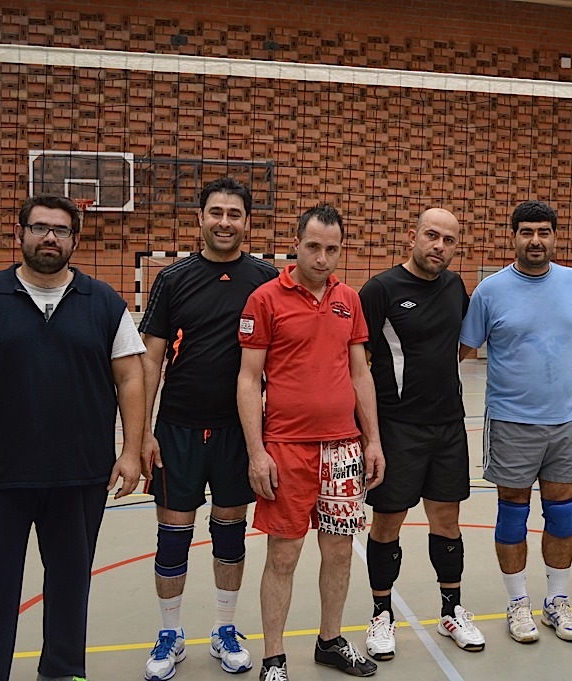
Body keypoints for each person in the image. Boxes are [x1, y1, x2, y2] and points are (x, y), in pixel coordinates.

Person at [0, 194, 144, 681]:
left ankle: (62, 672)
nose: (50, 237)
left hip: (79, 476)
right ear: (20, 234)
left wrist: (130, 452)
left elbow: (131, 377)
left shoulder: (104, 303)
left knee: (70, 587)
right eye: (40, 227)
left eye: (61, 230)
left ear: (74, 240)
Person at [237, 203, 386, 681]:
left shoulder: (349, 300)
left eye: (332, 249)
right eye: (314, 247)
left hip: (342, 449)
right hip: (286, 448)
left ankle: (330, 641)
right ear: (296, 244)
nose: (322, 259)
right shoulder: (265, 299)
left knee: (339, 552)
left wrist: (373, 441)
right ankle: (274, 659)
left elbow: (360, 374)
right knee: (283, 555)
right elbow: (248, 378)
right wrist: (257, 451)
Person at [138, 177, 279, 680]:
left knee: (229, 534)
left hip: (237, 432)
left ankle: (224, 628)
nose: (224, 222)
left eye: (234, 214)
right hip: (177, 428)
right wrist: (141, 433)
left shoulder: (266, 279)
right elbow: (150, 360)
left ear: (247, 222)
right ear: (200, 218)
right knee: (173, 536)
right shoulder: (173, 280)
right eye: (216, 212)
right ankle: (170, 634)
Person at [459, 200, 572, 644]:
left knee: (563, 514)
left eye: (544, 232)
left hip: (564, 421)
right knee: (513, 514)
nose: (536, 241)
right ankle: (518, 603)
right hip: (511, 422)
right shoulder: (490, 291)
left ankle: (557, 601)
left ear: (555, 237)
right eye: (527, 232)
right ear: (513, 236)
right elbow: (462, 350)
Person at [360, 208, 484, 660]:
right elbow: (358, 362)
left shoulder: (454, 286)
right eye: (432, 236)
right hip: (397, 428)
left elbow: (460, 346)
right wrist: (368, 434)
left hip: (448, 425)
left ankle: (451, 611)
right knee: (388, 521)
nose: (439, 246)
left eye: (449, 240)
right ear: (412, 236)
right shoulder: (380, 290)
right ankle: (381, 615)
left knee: (447, 520)